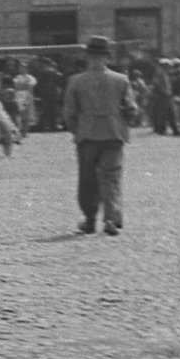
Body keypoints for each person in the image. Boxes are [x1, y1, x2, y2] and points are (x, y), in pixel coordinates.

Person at [62, 36, 137, 235]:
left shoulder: (76, 81)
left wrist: (76, 130)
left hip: (87, 136)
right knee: (111, 177)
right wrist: (123, 122)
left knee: (87, 179)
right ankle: (111, 219)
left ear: (87, 56)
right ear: (107, 57)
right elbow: (131, 108)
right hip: (113, 134)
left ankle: (89, 219)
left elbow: (69, 113)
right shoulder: (121, 80)